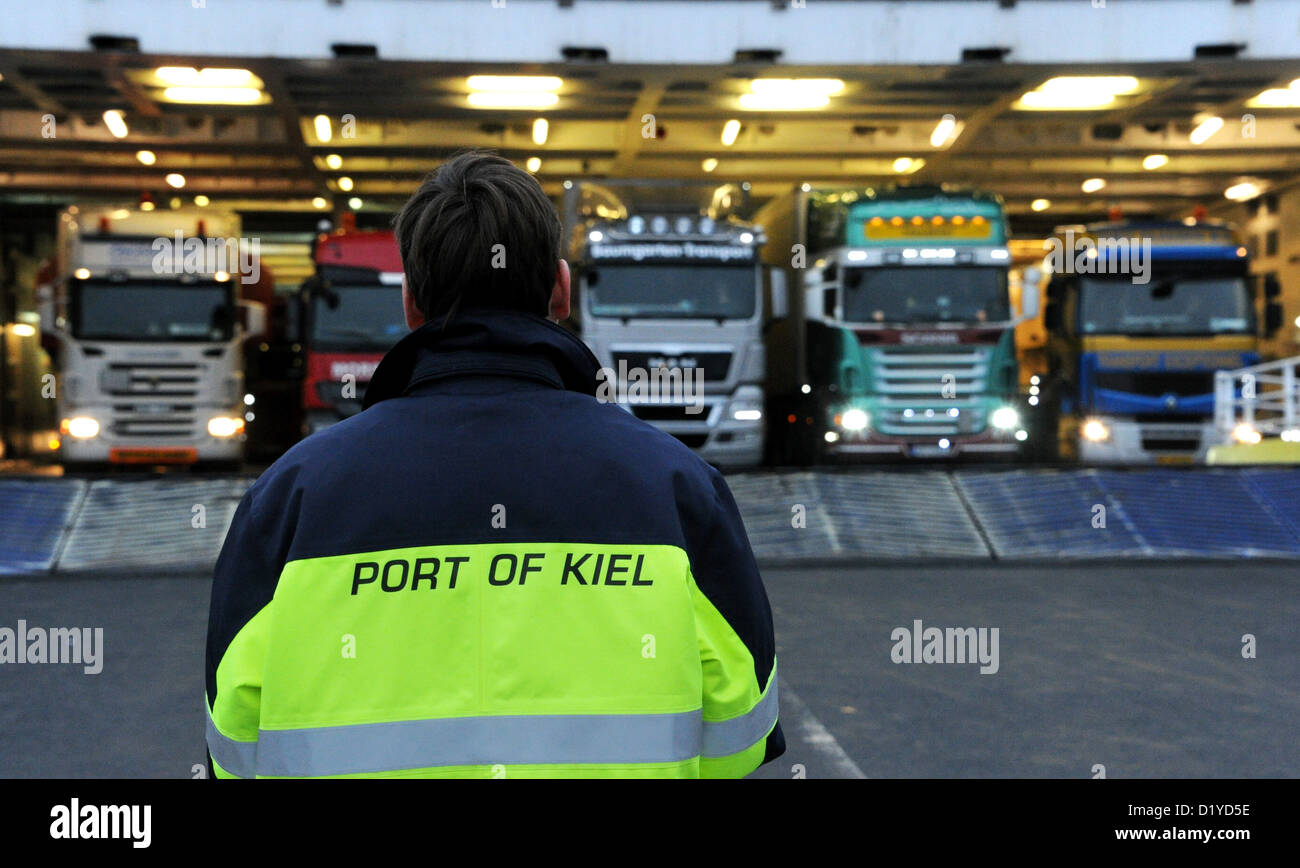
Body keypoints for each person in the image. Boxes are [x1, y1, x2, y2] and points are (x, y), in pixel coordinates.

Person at [204, 150, 784, 778]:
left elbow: (233, 745)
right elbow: (741, 735)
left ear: (409, 302)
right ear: (561, 290)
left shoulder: (291, 495)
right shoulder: (677, 486)